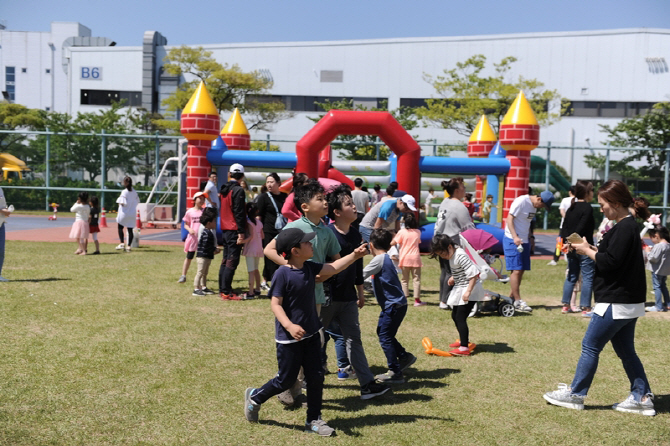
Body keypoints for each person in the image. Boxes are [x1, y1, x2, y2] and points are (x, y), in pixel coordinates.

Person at [544, 180, 655, 416]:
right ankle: (642, 396)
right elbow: (610, 255)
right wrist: (586, 246)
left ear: (615, 203)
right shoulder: (625, 226)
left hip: (616, 301)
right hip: (626, 302)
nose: (601, 208)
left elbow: (609, 263)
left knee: (590, 346)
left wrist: (586, 251)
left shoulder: (625, 227)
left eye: (603, 204)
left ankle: (576, 394)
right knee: (626, 351)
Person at [244, 228, 368, 436]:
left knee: (316, 376)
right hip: (288, 339)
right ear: (295, 251)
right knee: (285, 379)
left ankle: (314, 420)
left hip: (311, 334)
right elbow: (276, 305)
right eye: (307, 243)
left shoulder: (310, 268)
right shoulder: (282, 274)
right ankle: (255, 397)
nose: (312, 245)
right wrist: (290, 326)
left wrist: (355, 255)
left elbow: (333, 267)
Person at [264, 178, 342, 406]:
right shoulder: (295, 227)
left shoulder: (326, 231)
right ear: (305, 206)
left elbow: (336, 262)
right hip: (295, 296)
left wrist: (324, 275)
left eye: (325, 198)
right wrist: (292, 267)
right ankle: (288, 387)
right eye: (320, 199)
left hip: (316, 294)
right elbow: (269, 249)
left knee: (311, 341)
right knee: (298, 342)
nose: (325, 202)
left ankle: (295, 386)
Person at [321, 185, 391, 399]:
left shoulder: (356, 233)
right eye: (349, 204)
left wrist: (360, 291)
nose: (354, 207)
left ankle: (367, 385)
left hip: (348, 297)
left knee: (354, 340)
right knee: (317, 340)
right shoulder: (327, 233)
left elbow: (357, 266)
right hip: (326, 297)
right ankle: (304, 380)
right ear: (337, 212)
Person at [363, 228, 416, 384]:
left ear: (370, 245)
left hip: (393, 305)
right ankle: (405, 357)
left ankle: (395, 372)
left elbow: (359, 276)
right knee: (383, 332)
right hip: (397, 305)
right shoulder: (386, 258)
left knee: (385, 336)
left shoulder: (378, 260)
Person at [430, 234, 485, 356]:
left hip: (470, 289)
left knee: (460, 317)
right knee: (455, 315)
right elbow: (461, 270)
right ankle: (463, 340)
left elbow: (473, 274)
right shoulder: (453, 255)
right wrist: (454, 277)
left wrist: (468, 292)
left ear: (449, 247)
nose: (443, 257)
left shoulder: (460, 255)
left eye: (443, 254)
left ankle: (464, 347)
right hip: (461, 287)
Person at [502, 190, 555, 312]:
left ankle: (512, 298)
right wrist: (515, 237)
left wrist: (531, 238)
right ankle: (518, 300)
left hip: (524, 240)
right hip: (512, 239)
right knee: (516, 270)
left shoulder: (534, 207)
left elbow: (527, 223)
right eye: (543, 205)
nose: (541, 208)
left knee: (521, 269)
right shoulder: (521, 201)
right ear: (539, 199)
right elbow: (509, 219)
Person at [434, 178, 475, 310]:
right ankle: (446, 301)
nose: (465, 190)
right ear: (457, 190)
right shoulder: (459, 206)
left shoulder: (445, 201)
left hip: (438, 240)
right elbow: (469, 228)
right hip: (450, 242)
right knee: (452, 272)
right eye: (463, 187)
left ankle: (443, 300)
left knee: (445, 271)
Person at [560, 181, 595, 316]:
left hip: (571, 247)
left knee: (572, 275)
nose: (593, 193)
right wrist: (575, 241)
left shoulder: (571, 208)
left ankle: (565, 304)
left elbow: (565, 228)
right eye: (591, 191)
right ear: (587, 192)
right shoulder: (587, 208)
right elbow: (581, 226)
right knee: (587, 276)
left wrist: (567, 242)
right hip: (584, 246)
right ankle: (586, 307)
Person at [219, 163, 247, 301]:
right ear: (242, 176)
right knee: (232, 260)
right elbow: (239, 212)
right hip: (233, 228)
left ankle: (223, 289)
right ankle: (226, 292)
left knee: (225, 260)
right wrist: (242, 231)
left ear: (229, 174)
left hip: (224, 228)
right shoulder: (238, 190)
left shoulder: (224, 189)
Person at [256, 172, 288, 290]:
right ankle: (268, 280)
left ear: (278, 183)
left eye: (272, 182)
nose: (269, 184)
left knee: (281, 255)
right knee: (269, 256)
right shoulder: (263, 197)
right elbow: (258, 216)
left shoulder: (285, 197)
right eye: (267, 182)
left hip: (282, 230)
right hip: (268, 231)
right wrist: (259, 231)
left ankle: (272, 279)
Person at [391, 213, 424, 307]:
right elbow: (418, 242)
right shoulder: (418, 232)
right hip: (415, 258)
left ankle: (404, 298)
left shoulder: (401, 232)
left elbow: (393, 242)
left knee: (404, 280)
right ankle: (417, 300)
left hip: (404, 258)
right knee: (416, 279)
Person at [178, 192, 205, 284]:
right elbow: (185, 224)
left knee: (202, 258)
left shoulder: (205, 211)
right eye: (200, 198)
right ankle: (183, 275)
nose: (202, 200)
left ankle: (201, 276)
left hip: (202, 239)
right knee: (189, 257)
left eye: (203, 199)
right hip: (193, 238)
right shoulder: (189, 212)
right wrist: (190, 229)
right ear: (194, 200)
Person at [192, 208, 220, 296]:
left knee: (205, 273)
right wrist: (214, 250)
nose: (216, 223)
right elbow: (205, 246)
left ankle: (203, 287)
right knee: (200, 272)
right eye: (214, 221)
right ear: (208, 223)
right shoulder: (206, 233)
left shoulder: (209, 232)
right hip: (202, 256)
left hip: (207, 256)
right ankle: (196, 288)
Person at [241, 202, 264, 299]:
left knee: (251, 271)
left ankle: (250, 292)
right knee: (256, 269)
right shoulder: (259, 222)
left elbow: (250, 236)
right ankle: (258, 288)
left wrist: (242, 241)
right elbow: (263, 236)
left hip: (251, 248)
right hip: (258, 248)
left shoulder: (248, 222)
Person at [644, 226, 670, 312]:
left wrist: (648, 252)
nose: (652, 240)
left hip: (657, 271)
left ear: (656, 236)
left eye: (652, 238)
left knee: (657, 287)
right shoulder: (668, 245)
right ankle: (668, 304)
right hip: (664, 271)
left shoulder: (659, 246)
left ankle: (658, 306)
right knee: (663, 286)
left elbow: (653, 258)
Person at [548, 186, 576, 266]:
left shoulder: (565, 200)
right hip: (575, 225)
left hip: (564, 225)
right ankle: (570, 258)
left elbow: (562, 211)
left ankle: (555, 260)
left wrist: (567, 219)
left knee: (560, 242)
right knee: (573, 242)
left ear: (570, 191)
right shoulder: (578, 200)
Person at [115, 176, 140, 252]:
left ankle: (122, 243)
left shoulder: (124, 192)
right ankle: (128, 246)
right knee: (130, 230)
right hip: (132, 213)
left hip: (124, 213)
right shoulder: (135, 192)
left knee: (120, 227)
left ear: (125, 183)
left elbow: (122, 202)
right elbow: (137, 201)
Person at [0, 185, 11, 282]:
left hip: (1, 222)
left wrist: (6, 210)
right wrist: (3, 211)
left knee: (1, 251)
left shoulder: (0, 189)